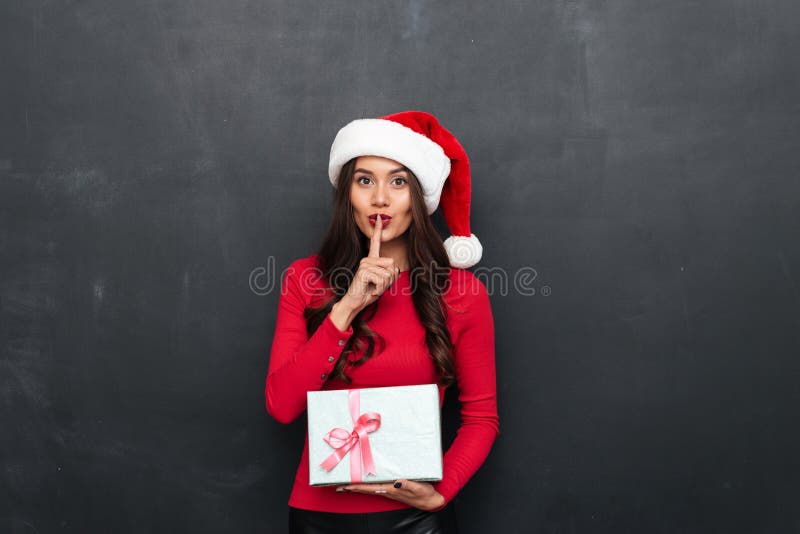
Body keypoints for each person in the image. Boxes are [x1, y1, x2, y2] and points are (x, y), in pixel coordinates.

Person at [265, 111, 499, 534]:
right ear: (347, 193)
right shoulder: (305, 279)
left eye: (398, 181)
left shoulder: (460, 293)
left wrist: (440, 492)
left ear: (419, 196)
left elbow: (482, 418)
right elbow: (282, 407)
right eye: (365, 180)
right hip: (319, 517)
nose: (380, 200)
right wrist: (347, 307)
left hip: (415, 520)